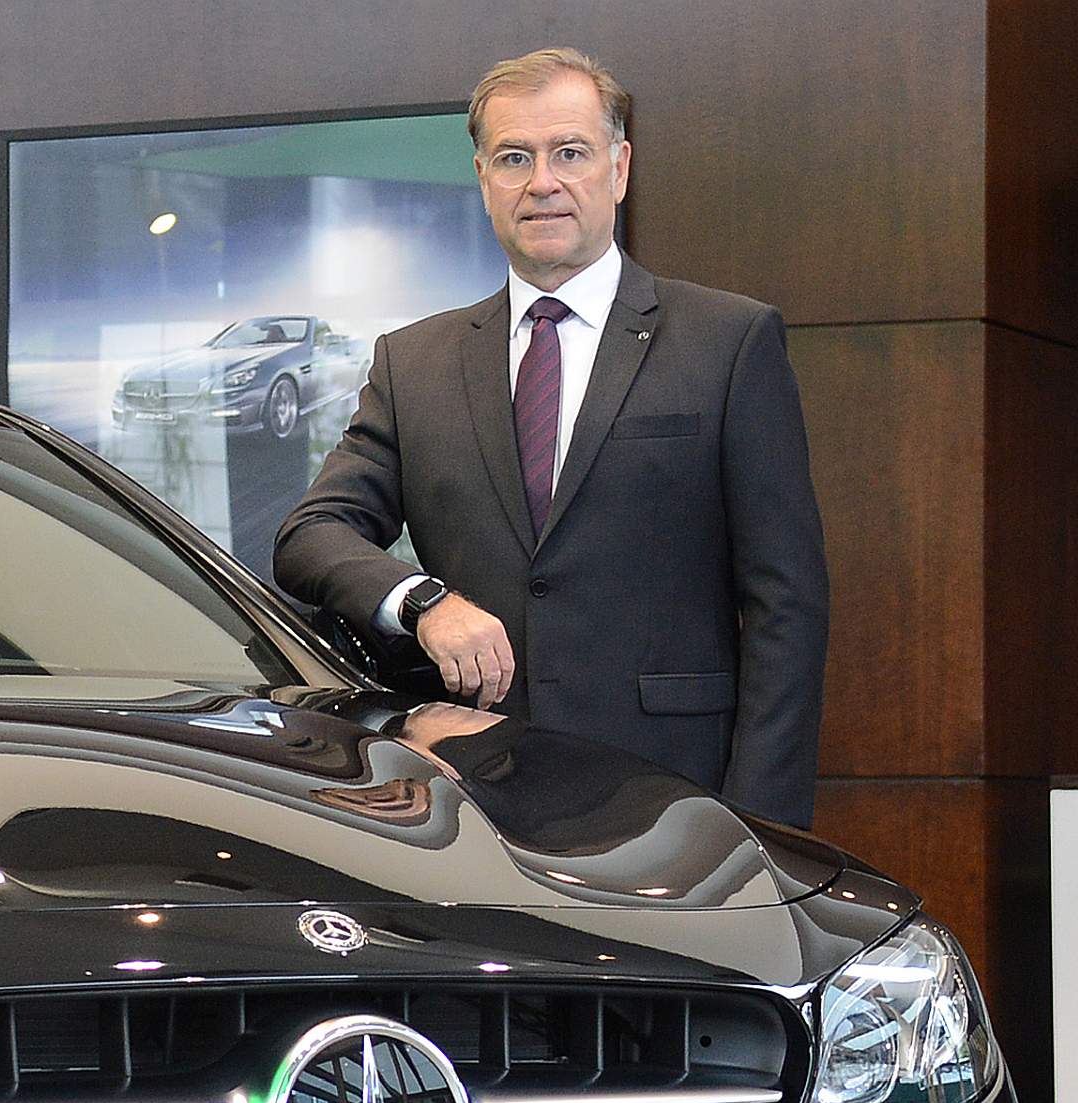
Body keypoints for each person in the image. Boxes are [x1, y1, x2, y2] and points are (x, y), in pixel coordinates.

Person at [272, 47, 828, 829]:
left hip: (679, 802)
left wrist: (760, 831)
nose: (542, 182)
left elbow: (786, 607)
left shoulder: (728, 342)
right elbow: (311, 534)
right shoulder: (414, 362)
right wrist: (425, 602)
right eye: (514, 158)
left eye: (570, 152)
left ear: (619, 168)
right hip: (476, 807)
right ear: (482, 179)